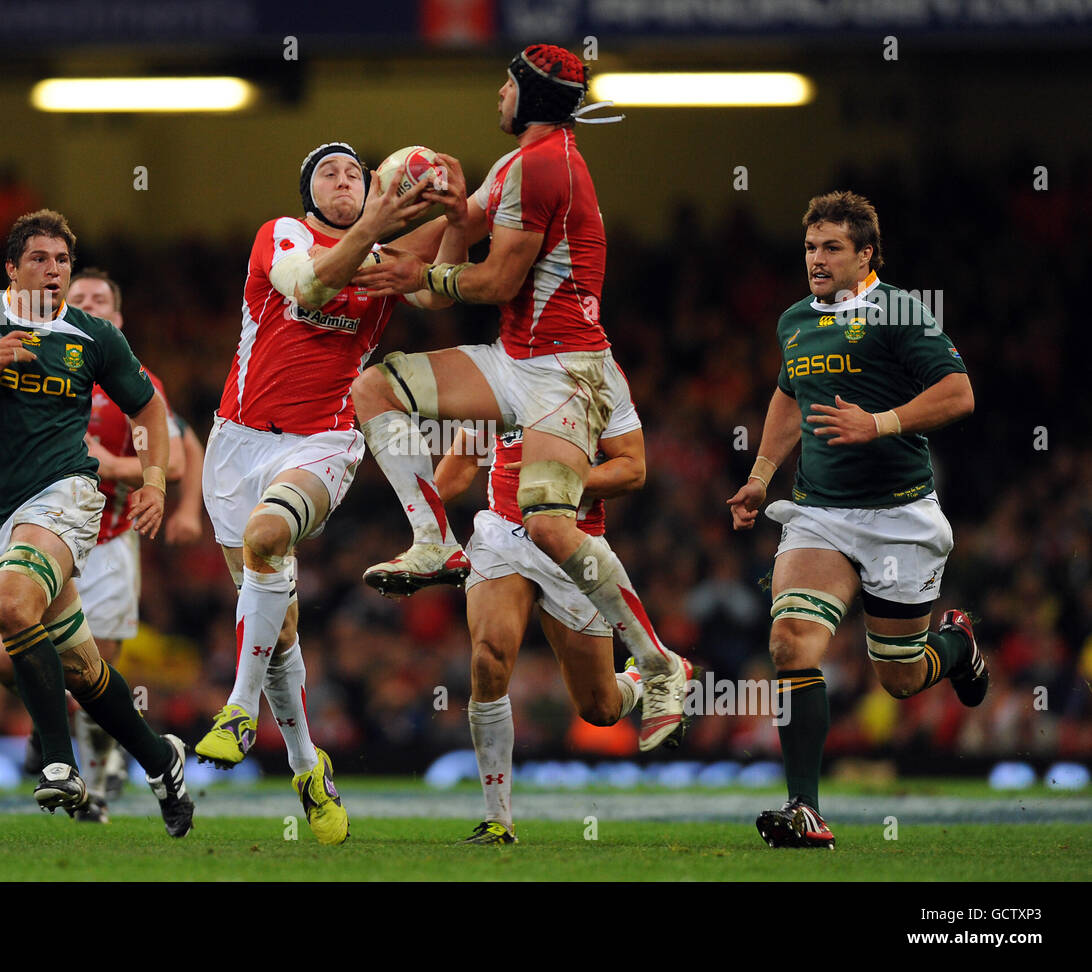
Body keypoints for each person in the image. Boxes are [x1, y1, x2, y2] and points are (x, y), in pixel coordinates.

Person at [349, 43, 691, 751]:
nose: (496, 95)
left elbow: (495, 282)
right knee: (375, 387)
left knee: (546, 523)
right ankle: (432, 542)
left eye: (506, 85)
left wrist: (423, 274)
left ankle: (658, 667)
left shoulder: (542, 166)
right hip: (515, 360)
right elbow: (461, 239)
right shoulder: (514, 164)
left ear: (532, 95)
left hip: (569, 370)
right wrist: (372, 239)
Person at [193, 142, 468, 844]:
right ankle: (309, 766)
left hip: (324, 441)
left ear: (374, 187)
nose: (343, 180)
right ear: (309, 192)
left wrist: (459, 199)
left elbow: (456, 252)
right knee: (277, 628)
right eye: (328, 173)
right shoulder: (282, 234)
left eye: (356, 173)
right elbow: (309, 288)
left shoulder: (385, 261)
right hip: (235, 444)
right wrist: (379, 225)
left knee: (267, 538)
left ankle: (236, 710)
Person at [0, 210, 195, 837]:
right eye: (39, 259)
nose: (53, 271)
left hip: (66, 494)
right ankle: (161, 759)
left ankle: (60, 764)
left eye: (62, 260)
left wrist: (153, 481)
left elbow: (149, 404)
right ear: (10, 267)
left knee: (11, 606)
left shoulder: (92, 337)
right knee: (82, 669)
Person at [726, 190, 983, 850]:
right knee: (789, 644)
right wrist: (759, 478)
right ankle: (804, 809)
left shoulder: (897, 309)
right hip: (820, 516)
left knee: (899, 678)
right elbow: (790, 396)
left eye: (833, 247)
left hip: (901, 517)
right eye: (810, 247)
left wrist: (881, 423)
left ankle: (957, 647)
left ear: (866, 255)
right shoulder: (794, 322)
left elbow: (959, 393)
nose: (817, 259)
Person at [434, 370, 698, 844]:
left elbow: (632, 469)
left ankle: (652, 671)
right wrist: (420, 522)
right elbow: (459, 467)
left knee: (599, 708)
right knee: (487, 659)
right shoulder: (499, 375)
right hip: (501, 535)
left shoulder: (603, 381)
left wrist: (566, 481)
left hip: (574, 546)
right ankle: (498, 820)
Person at [0, 268, 190, 824]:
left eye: (101, 299)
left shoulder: (133, 378)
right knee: (3, 664)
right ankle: (58, 727)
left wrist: (122, 469)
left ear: (118, 319)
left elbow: (178, 450)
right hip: (33, 526)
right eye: (79, 299)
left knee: (90, 671)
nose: (89, 305)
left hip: (108, 540)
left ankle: (92, 785)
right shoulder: (37, 358)